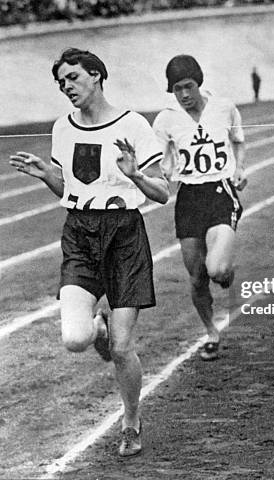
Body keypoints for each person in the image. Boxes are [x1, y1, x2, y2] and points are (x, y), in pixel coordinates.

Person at [9, 48, 169, 457]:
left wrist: (135, 174)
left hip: (124, 237)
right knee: (76, 339)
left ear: (96, 76)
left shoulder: (133, 124)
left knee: (121, 348)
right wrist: (47, 174)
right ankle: (98, 325)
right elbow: (70, 190)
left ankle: (131, 422)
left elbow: (162, 192)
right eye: (61, 82)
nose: (67, 88)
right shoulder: (63, 127)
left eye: (73, 78)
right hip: (79, 235)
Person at [153, 55, 246, 361]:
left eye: (188, 86)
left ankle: (224, 271)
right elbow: (162, 163)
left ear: (199, 82)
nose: (184, 95)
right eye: (177, 89)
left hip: (221, 192)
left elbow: (238, 141)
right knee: (196, 276)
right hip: (189, 199)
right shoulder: (166, 120)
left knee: (217, 268)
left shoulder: (223, 107)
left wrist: (240, 169)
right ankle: (211, 331)